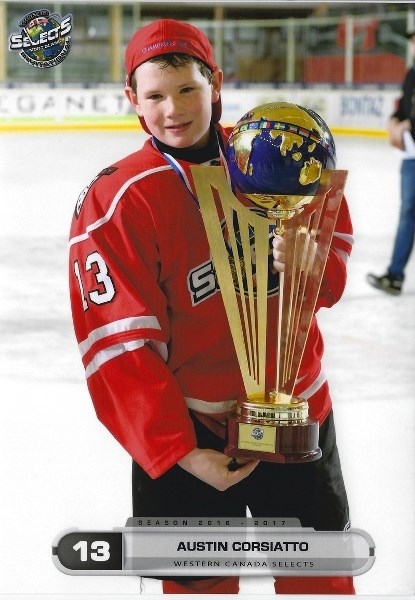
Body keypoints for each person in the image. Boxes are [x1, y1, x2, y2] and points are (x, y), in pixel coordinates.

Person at [69, 18, 355, 595]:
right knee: (198, 588)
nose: (173, 109)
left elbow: (326, 283)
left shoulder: (278, 153)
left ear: (215, 84)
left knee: (320, 580)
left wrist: (309, 265)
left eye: (187, 90)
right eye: (154, 96)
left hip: (296, 412)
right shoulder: (119, 198)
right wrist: (178, 450)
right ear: (133, 100)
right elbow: (118, 344)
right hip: (193, 432)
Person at [367, 29, 415, 295]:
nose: (413, 45)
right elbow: (403, 107)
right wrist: (394, 121)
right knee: (407, 214)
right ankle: (395, 275)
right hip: (411, 156)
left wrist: (408, 123)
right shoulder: (412, 74)